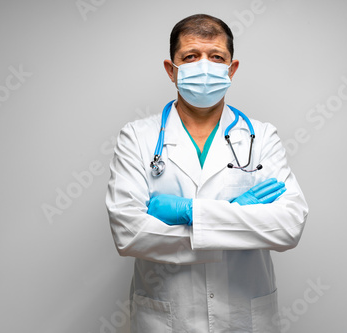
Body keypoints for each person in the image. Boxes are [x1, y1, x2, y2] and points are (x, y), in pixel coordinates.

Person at [105, 14, 308, 333]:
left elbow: (289, 226)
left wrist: (188, 213)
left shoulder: (262, 136)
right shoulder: (137, 137)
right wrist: (238, 218)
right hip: (166, 319)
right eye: (190, 57)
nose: (204, 66)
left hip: (245, 318)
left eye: (216, 57)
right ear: (171, 71)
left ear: (232, 69)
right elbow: (129, 234)